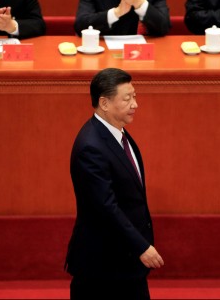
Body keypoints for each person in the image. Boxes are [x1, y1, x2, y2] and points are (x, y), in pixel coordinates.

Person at [65, 68, 164, 300]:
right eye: (127, 98)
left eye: (135, 96)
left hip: (125, 263)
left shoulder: (117, 133)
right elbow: (106, 208)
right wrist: (141, 246)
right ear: (104, 103)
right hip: (102, 267)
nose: (135, 104)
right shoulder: (91, 147)